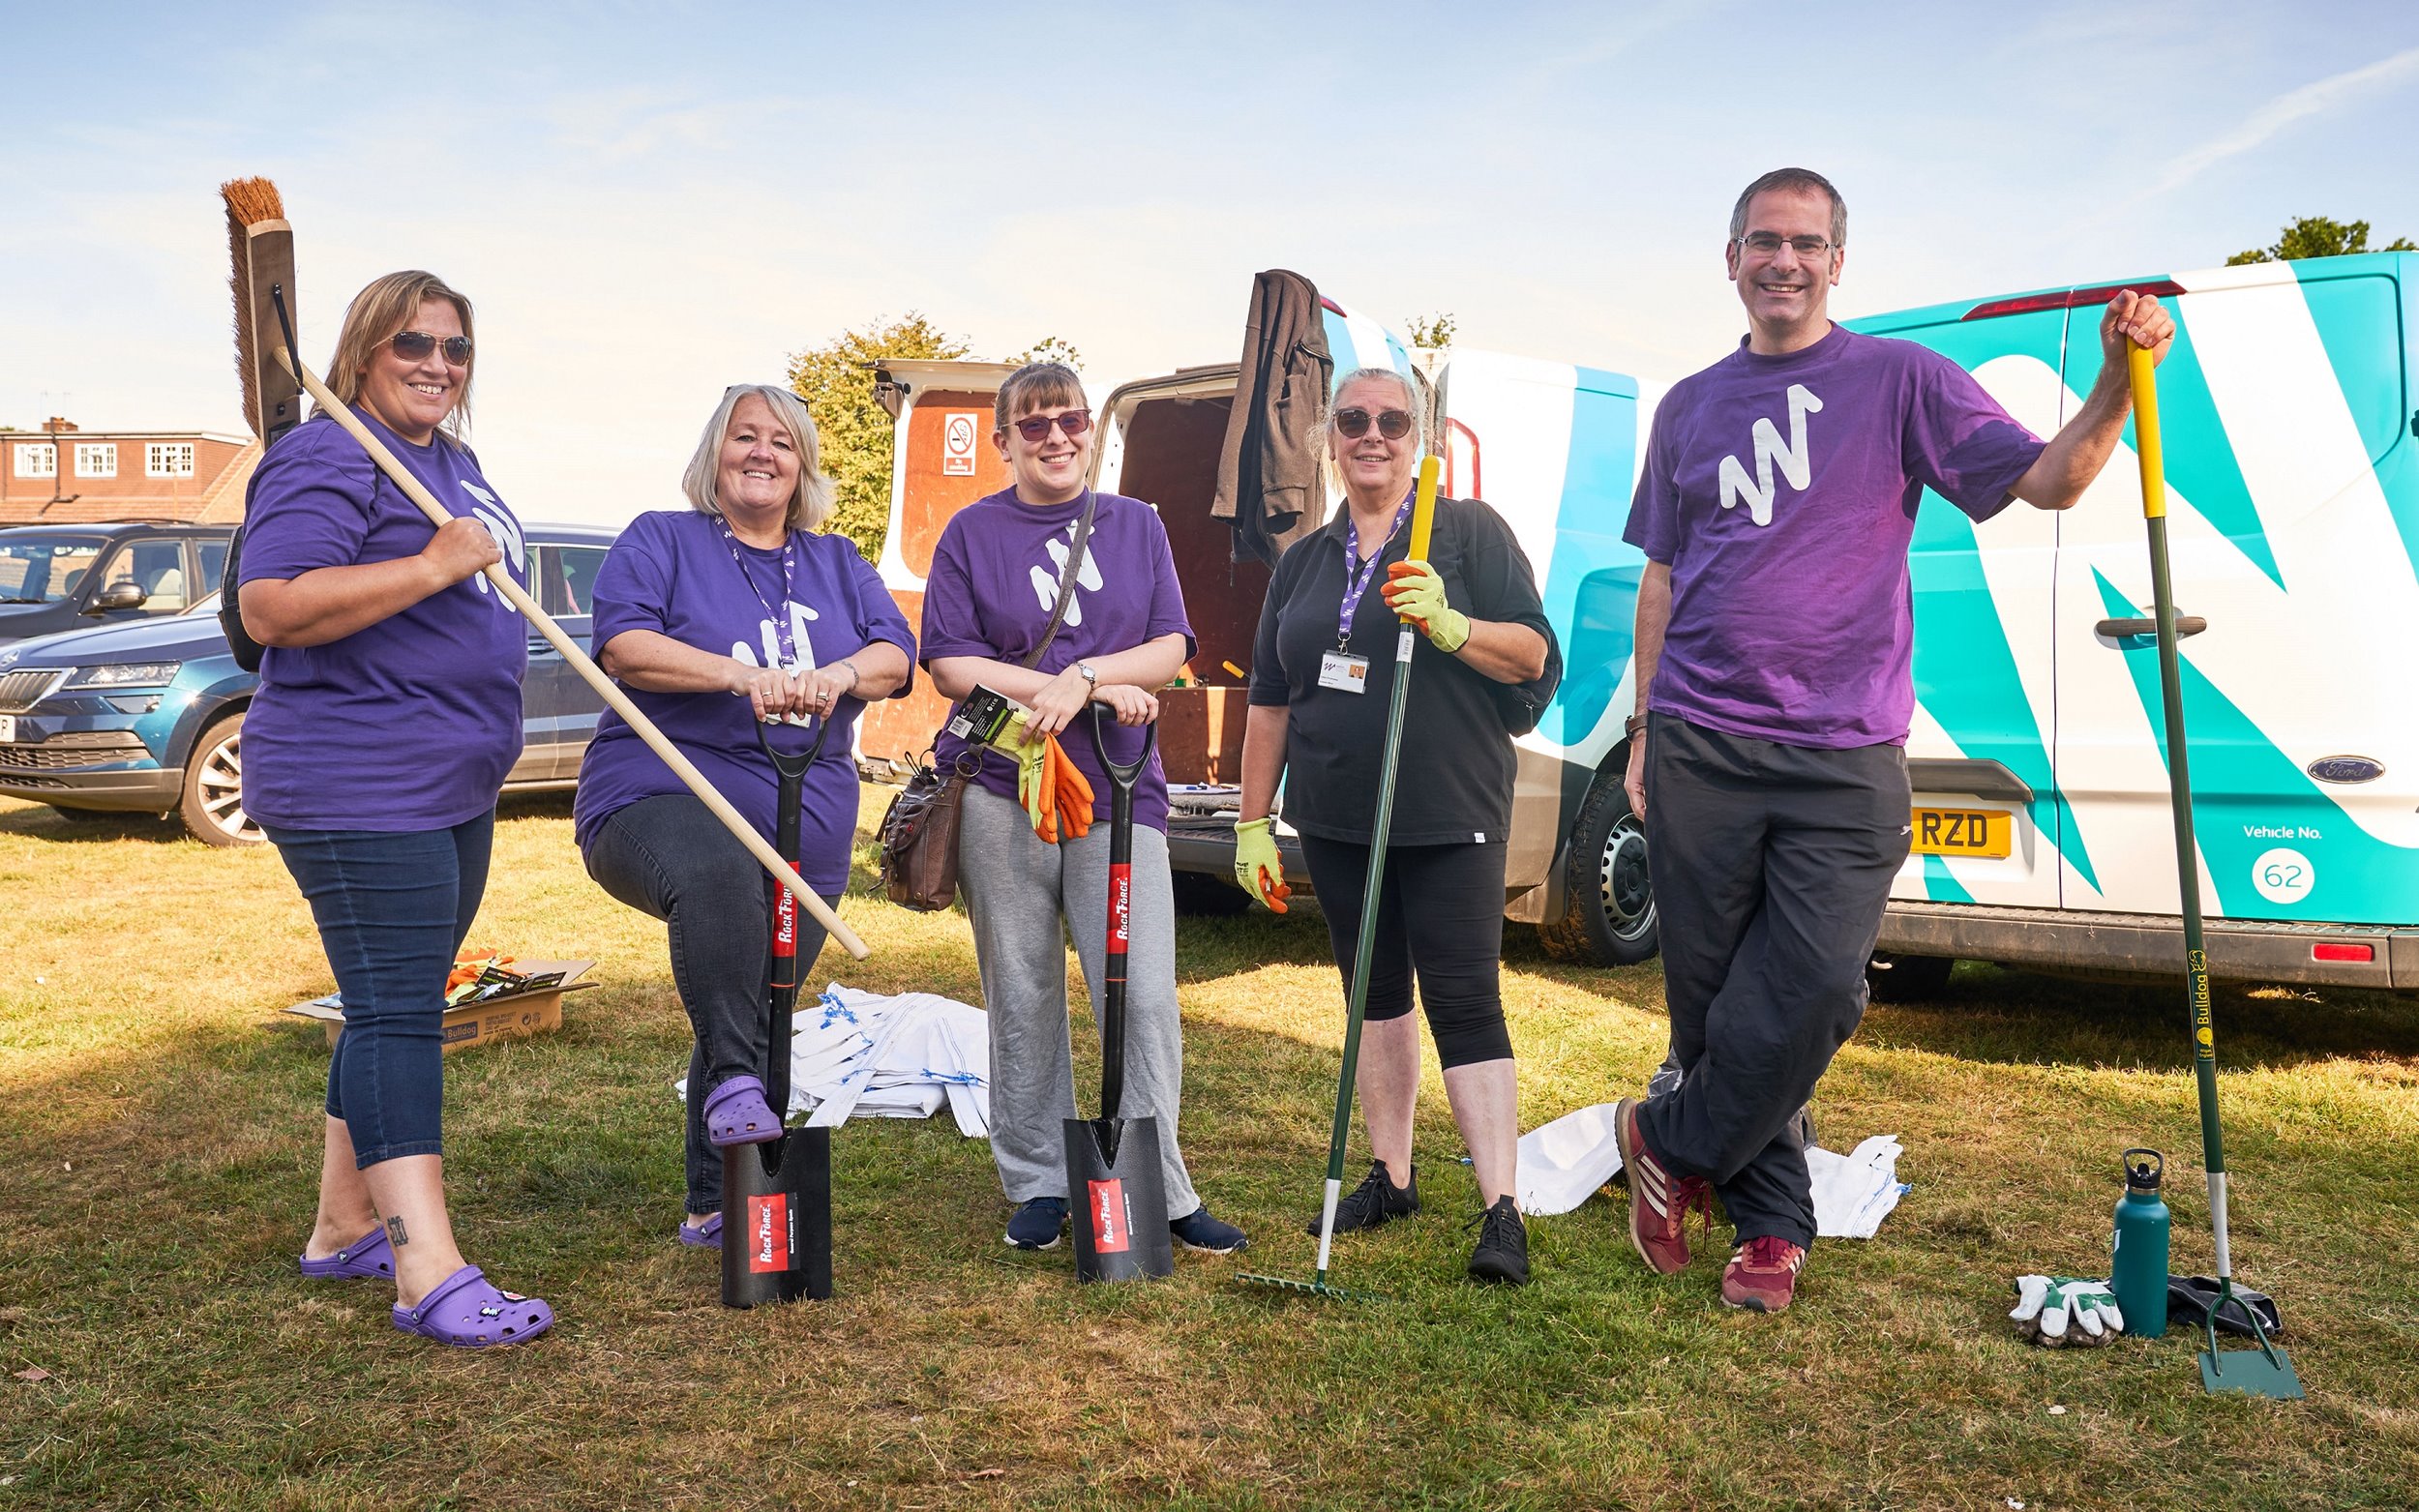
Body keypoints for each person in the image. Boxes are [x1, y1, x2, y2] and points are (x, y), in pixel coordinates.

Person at [1612, 168, 2176, 1313]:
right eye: (1762, 242)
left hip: (1842, 749)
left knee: (1816, 989)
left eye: (1805, 243)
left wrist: (2121, 377)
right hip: (1699, 741)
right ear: (1729, 260)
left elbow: (2050, 481)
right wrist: (1644, 721)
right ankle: (1771, 1230)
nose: (1783, 261)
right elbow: (1662, 574)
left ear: (1836, 263)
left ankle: (1664, 1136)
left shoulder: (1900, 379)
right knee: (1714, 1004)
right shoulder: (1687, 406)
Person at [242, 270, 555, 1347]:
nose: (436, 364)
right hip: (358, 780)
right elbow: (271, 605)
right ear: (363, 353)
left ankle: (342, 1226)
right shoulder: (330, 453)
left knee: (395, 992)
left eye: (455, 349)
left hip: (449, 781)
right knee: (398, 1013)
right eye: (413, 344)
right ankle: (426, 1267)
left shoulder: (446, 460)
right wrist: (430, 565)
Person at [1233, 366, 1558, 1286]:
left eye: (1391, 420)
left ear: (1420, 437)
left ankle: (1501, 1207)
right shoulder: (1302, 560)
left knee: (1464, 998)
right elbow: (1270, 702)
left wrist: (1452, 625)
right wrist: (1255, 823)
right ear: (1328, 439)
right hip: (1335, 816)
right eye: (1353, 420)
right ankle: (1394, 1173)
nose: (1371, 434)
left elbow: (1535, 653)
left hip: (1448, 810)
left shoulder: (1464, 533)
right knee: (1371, 991)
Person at [920, 361, 1249, 1257]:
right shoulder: (970, 531)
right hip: (1001, 788)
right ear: (1004, 441)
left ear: (1089, 432)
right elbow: (950, 664)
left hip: (1120, 786)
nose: (1057, 436)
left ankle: (1162, 1184)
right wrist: (1056, 694)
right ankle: (1037, 1180)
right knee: (1022, 989)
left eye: (1070, 419)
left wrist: (1086, 680)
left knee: (1140, 995)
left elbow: (1173, 642)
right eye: (1034, 425)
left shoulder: (1136, 525)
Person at [576, 385, 914, 1248]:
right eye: (744, 436)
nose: (762, 453)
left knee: (757, 992)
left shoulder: (838, 560)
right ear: (714, 454)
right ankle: (736, 1084)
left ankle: (714, 1203)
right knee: (720, 879)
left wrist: (837, 675)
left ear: (802, 466)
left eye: (782, 442)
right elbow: (622, 646)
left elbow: (894, 655)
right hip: (662, 790)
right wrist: (739, 676)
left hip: (808, 813)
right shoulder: (663, 539)